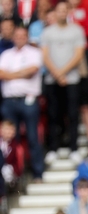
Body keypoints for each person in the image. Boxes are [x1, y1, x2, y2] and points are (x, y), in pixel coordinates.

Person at [41, 1, 85, 165]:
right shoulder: (47, 32)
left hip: (71, 79)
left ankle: (74, 149)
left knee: (73, 114)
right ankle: (53, 149)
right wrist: (57, 74)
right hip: (53, 80)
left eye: (64, 10)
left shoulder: (77, 30)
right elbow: (45, 55)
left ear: (68, 12)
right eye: (58, 10)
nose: (61, 13)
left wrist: (63, 73)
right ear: (55, 12)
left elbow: (79, 54)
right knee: (53, 115)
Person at [0, 26, 43, 182]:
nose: (19, 38)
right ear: (13, 37)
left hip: (28, 100)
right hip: (9, 101)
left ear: (27, 37)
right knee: (10, 140)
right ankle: (16, 174)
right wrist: (20, 74)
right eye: (16, 35)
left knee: (33, 136)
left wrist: (10, 74)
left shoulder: (34, 53)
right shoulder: (6, 54)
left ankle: (37, 173)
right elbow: (1, 73)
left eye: (22, 35)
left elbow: (32, 70)